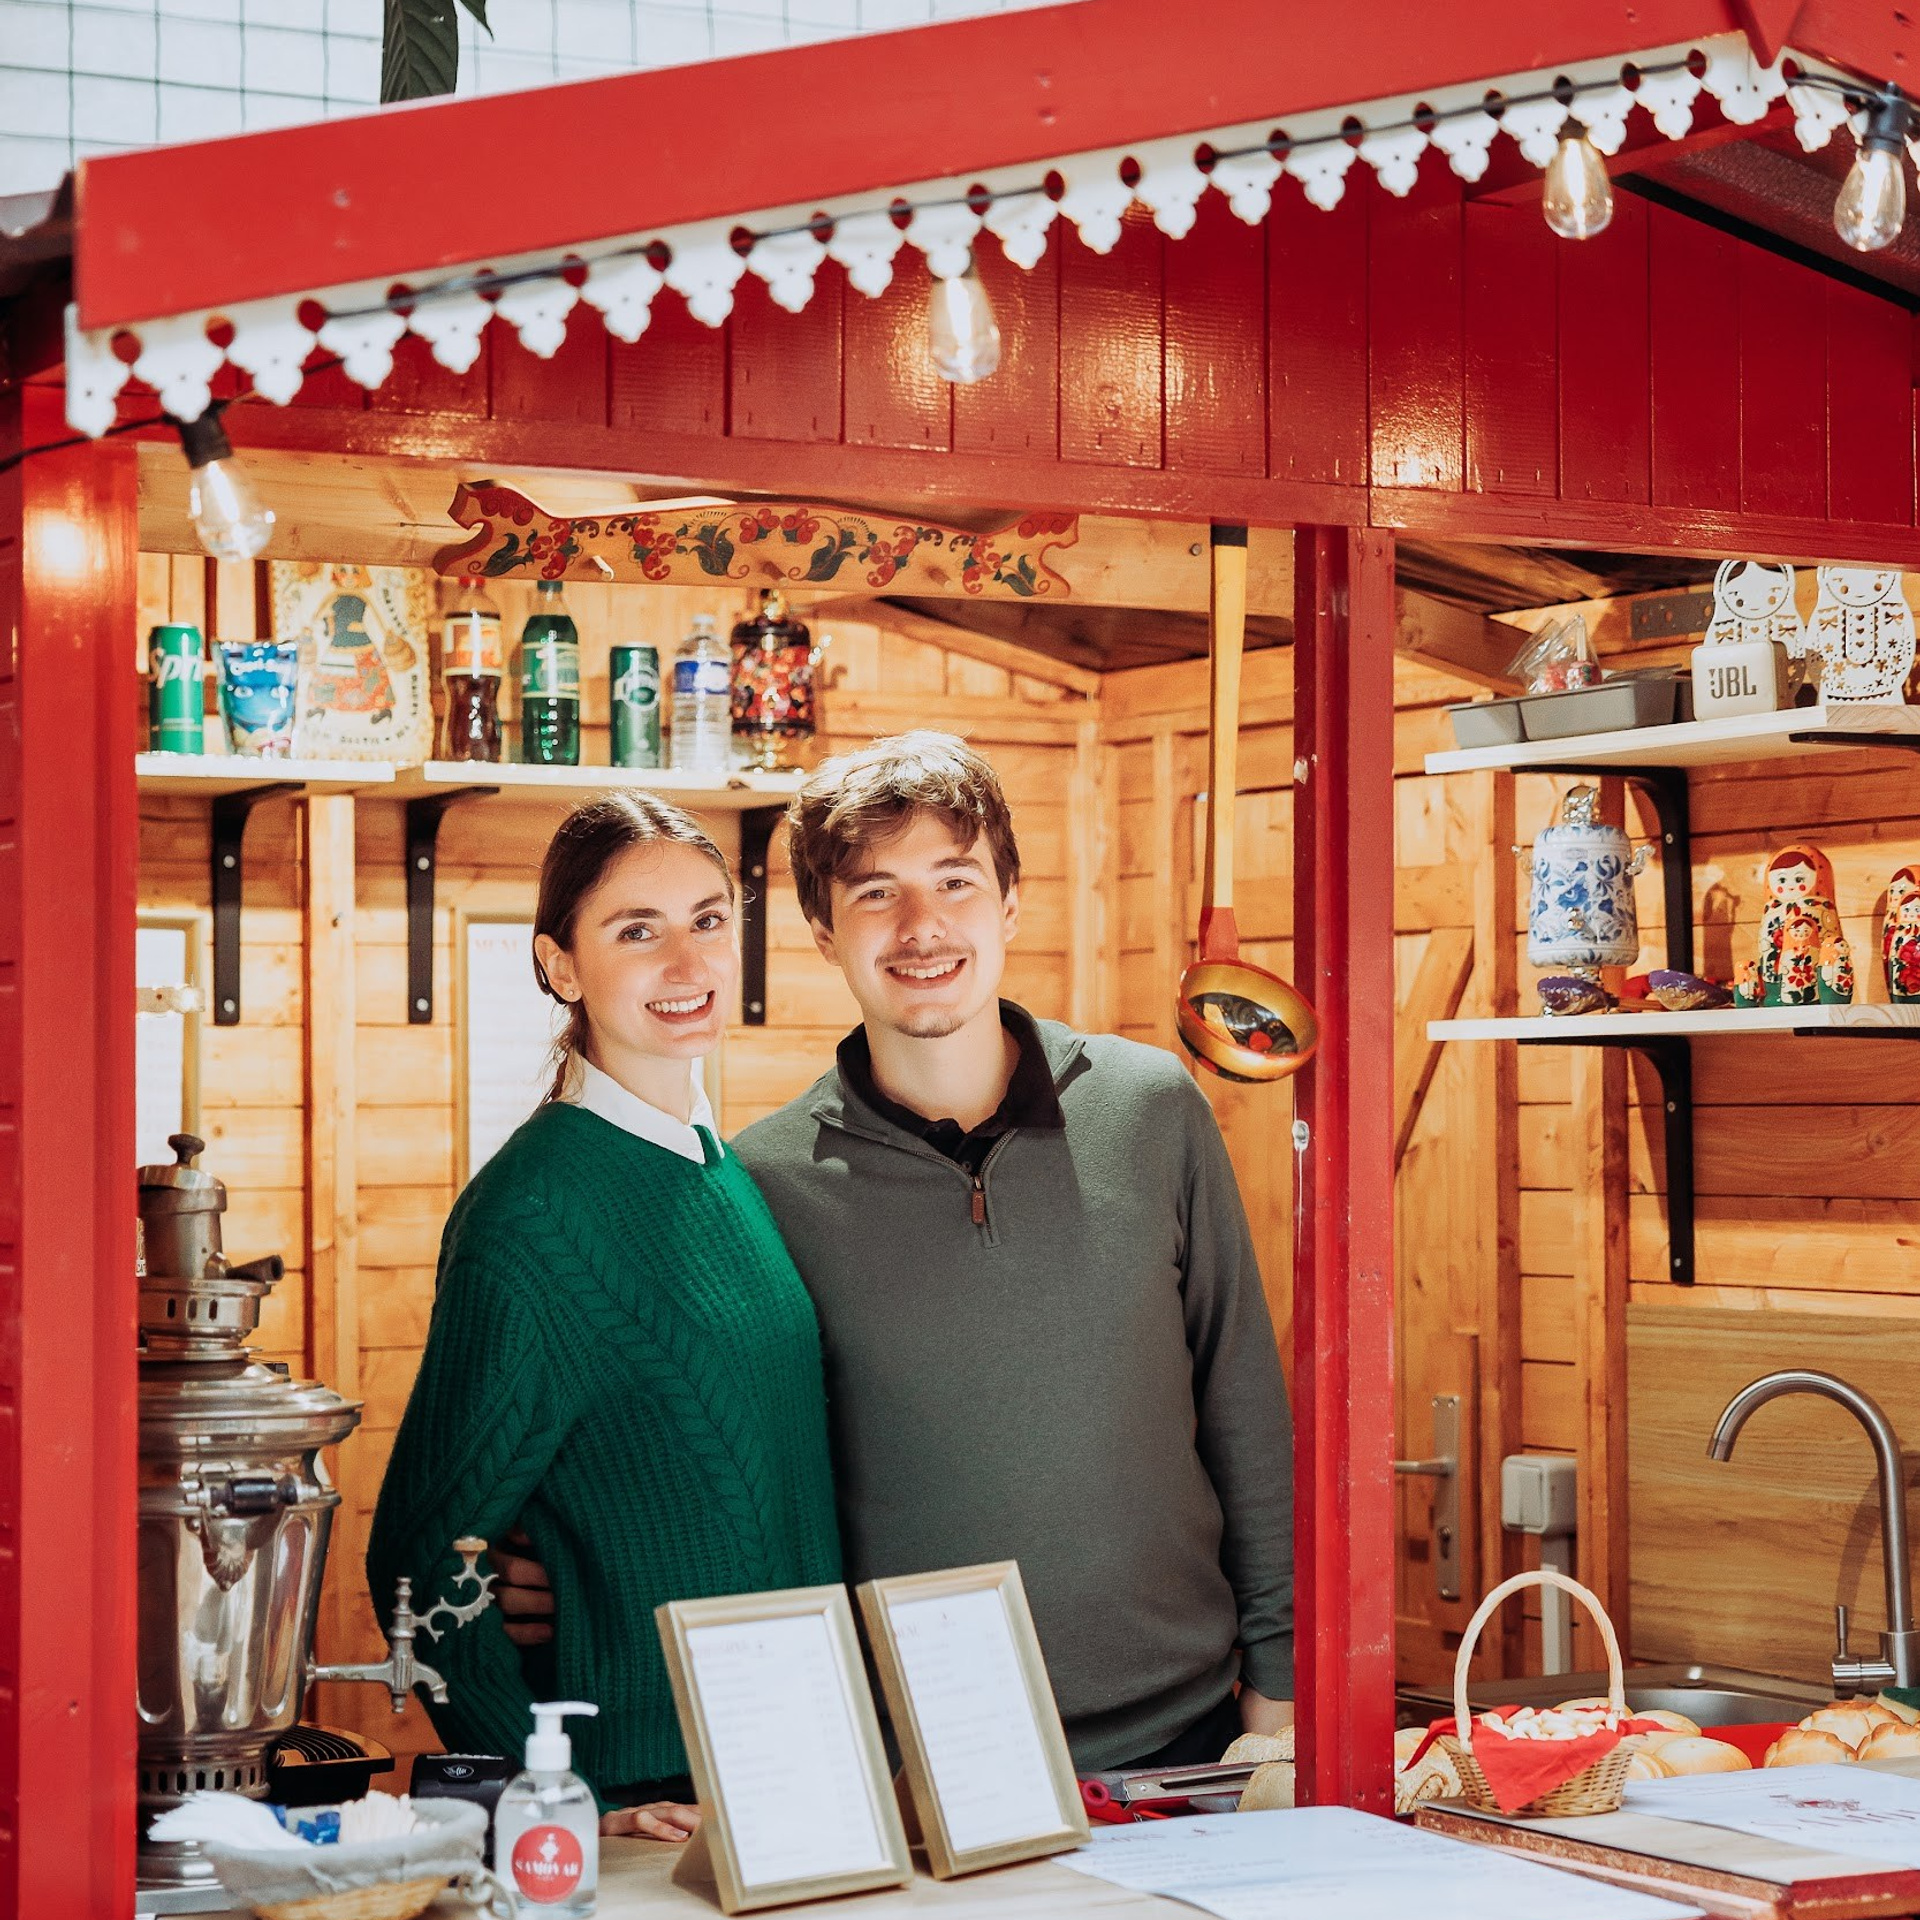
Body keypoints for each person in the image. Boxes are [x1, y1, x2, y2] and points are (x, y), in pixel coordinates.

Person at [498, 731, 1294, 1773]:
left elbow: (1244, 1406)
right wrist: (586, 1561)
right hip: (908, 1767)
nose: (923, 927)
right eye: (875, 894)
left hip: (1185, 1742)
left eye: (955, 881)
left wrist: (1276, 1695)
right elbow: (726, 1467)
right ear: (824, 933)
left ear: (1010, 903)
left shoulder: (1151, 1112)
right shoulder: (760, 1184)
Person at [366, 792, 840, 1838]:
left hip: (796, 1777)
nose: (689, 962)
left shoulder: (725, 1170)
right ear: (561, 967)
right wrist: (561, 1800)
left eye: (710, 920)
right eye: (639, 931)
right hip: (655, 1798)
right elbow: (415, 1553)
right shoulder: (534, 1215)